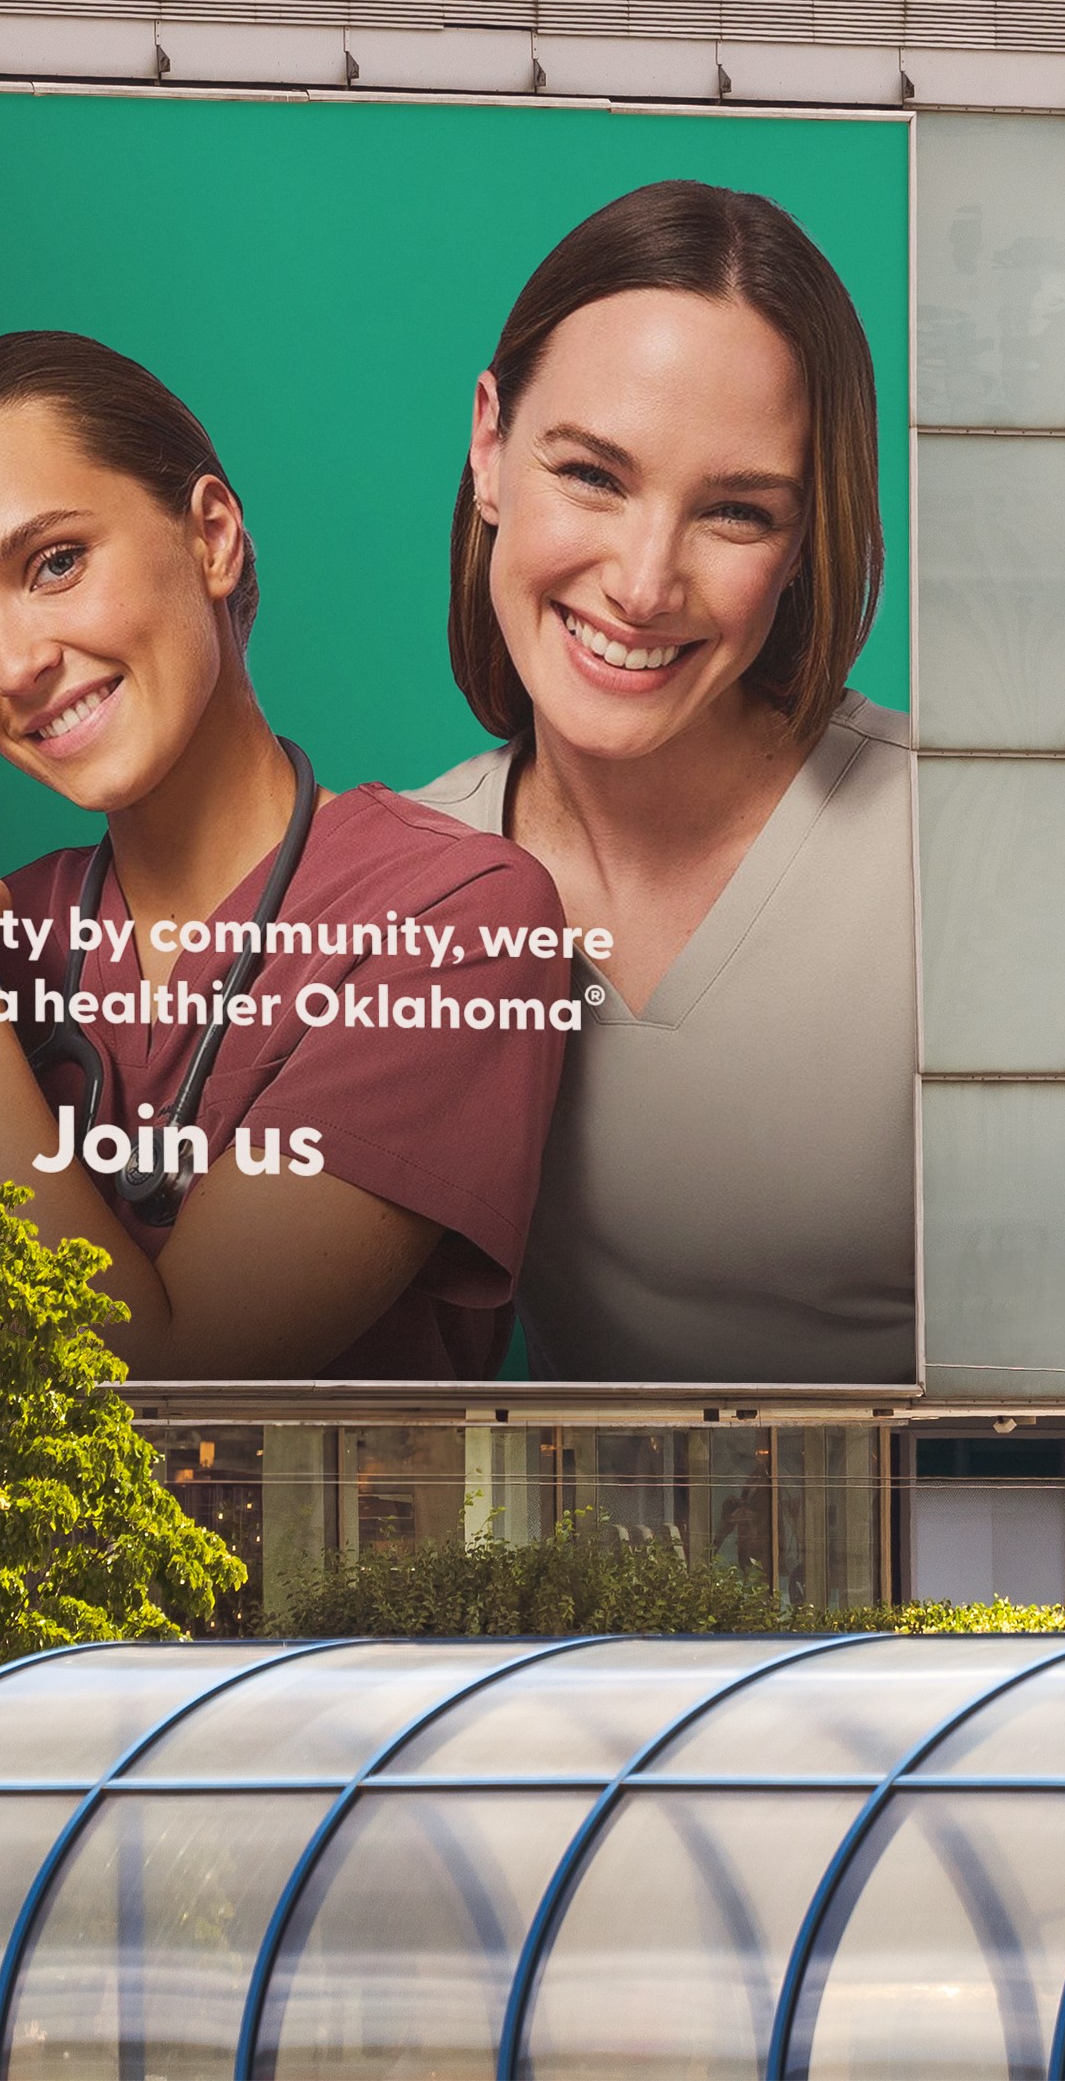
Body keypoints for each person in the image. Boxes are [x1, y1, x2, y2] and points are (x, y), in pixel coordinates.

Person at [0, 331, 572, 1379]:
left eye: (55, 563)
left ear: (214, 537)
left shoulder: (457, 917)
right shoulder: (3, 926)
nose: (17, 665)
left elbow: (166, 1380)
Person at [414, 179, 915, 1387]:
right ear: (490, 449)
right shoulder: (400, 886)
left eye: (736, 512)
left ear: (802, 545)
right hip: (604, 1572)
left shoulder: (976, 845)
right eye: (592, 474)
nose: (644, 585)